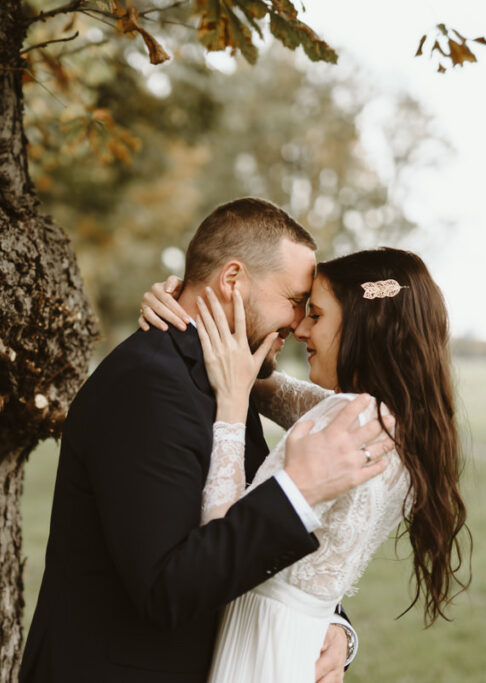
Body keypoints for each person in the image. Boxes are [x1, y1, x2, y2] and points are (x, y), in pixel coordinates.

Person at [19, 198, 394, 683]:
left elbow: (239, 534)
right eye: (294, 300)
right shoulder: (150, 383)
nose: (299, 324)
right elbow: (166, 588)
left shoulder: (230, 375)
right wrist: (299, 493)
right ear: (232, 281)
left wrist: (332, 622)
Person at [139, 247, 470, 681]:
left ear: (363, 324)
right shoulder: (397, 420)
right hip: (302, 639)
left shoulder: (343, 419)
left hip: (262, 642)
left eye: (316, 315)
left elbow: (221, 525)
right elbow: (265, 385)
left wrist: (232, 407)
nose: (299, 329)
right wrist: (193, 308)